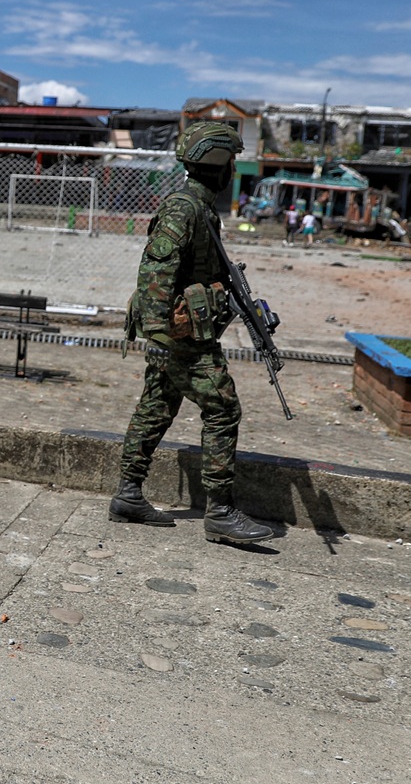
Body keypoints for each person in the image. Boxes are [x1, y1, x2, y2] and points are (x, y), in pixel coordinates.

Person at [110, 121, 273, 545]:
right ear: (217, 164)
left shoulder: (201, 207)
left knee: (156, 407)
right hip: (181, 337)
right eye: (231, 161)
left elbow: (202, 273)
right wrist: (164, 336)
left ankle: (128, 495)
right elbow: (155, 272)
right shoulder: (184, 208)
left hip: (178, 333)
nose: (234, 170)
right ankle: (219, 511)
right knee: (223, 408)